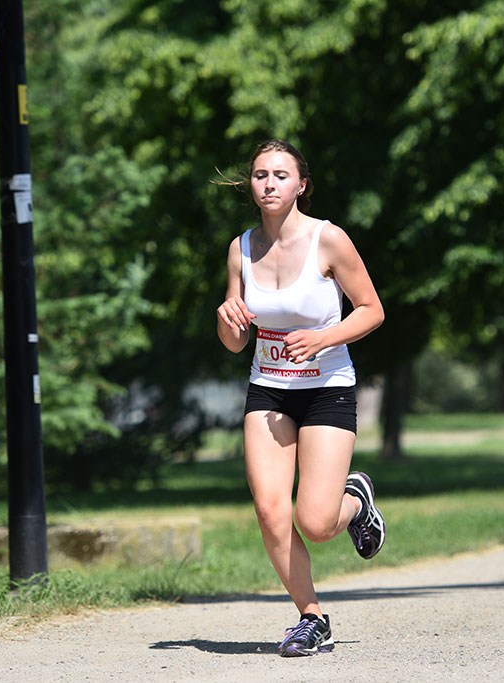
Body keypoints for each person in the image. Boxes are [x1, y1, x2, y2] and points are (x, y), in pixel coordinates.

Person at [215, 139, 386, 656]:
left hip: (327, 388)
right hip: (267, 388)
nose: (269, 183)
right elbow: (236, 341)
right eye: (260, 175)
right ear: (251, 185)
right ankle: (311, 618)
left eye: (280, 175)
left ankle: (354, 502)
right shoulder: (240, 248)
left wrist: (323, 337)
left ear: (301, 185)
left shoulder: (328, 240)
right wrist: (227, 317)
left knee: (315, 522)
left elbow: (371, 309)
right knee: (271, 512)